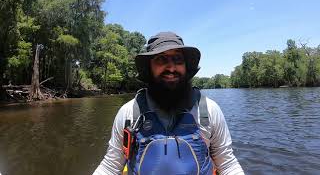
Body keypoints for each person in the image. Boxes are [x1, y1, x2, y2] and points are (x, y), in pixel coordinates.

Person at [93, 32, 244, 175]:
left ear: (185, 67)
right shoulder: (128, 113)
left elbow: (227, 164)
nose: (171, 68)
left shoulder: (210, 110)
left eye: (178, 60)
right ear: (149, 68)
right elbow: (111, 166)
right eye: (161, 59)